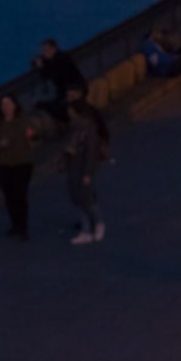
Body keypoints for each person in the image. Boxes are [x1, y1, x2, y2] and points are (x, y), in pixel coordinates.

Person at [0, 93, 37, 240]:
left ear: (15, 105)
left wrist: (33, 133)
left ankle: (23, 227)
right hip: (2, 164)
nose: (6, 107)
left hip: (22, 163)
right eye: (3, 104)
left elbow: (34, 133)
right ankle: (15, 225)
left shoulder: (23, 120)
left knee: (20, 195)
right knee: (9, 196)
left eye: (9, 103)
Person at [64, 90, 109, 245]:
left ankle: (99, 223)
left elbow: (91, 152)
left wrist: (88, 173)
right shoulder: (73, 128)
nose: (68, 114)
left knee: (87, 200)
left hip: (83, 168)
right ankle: (85, 230)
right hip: (73, 167)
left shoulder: (87, 129)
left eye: (70, 111)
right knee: (77, 199)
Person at [31, 40, 87, 124]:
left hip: (74, 88)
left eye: (46, 50)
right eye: (43, 51)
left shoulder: (62, 58)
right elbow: (45, 73)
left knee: (59, 105)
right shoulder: (51, 61)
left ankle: (76, 122)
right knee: (42, 104)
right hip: (64, 91)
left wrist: (42, 68)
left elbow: (57, 77)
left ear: (54, 49)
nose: (44, 53)